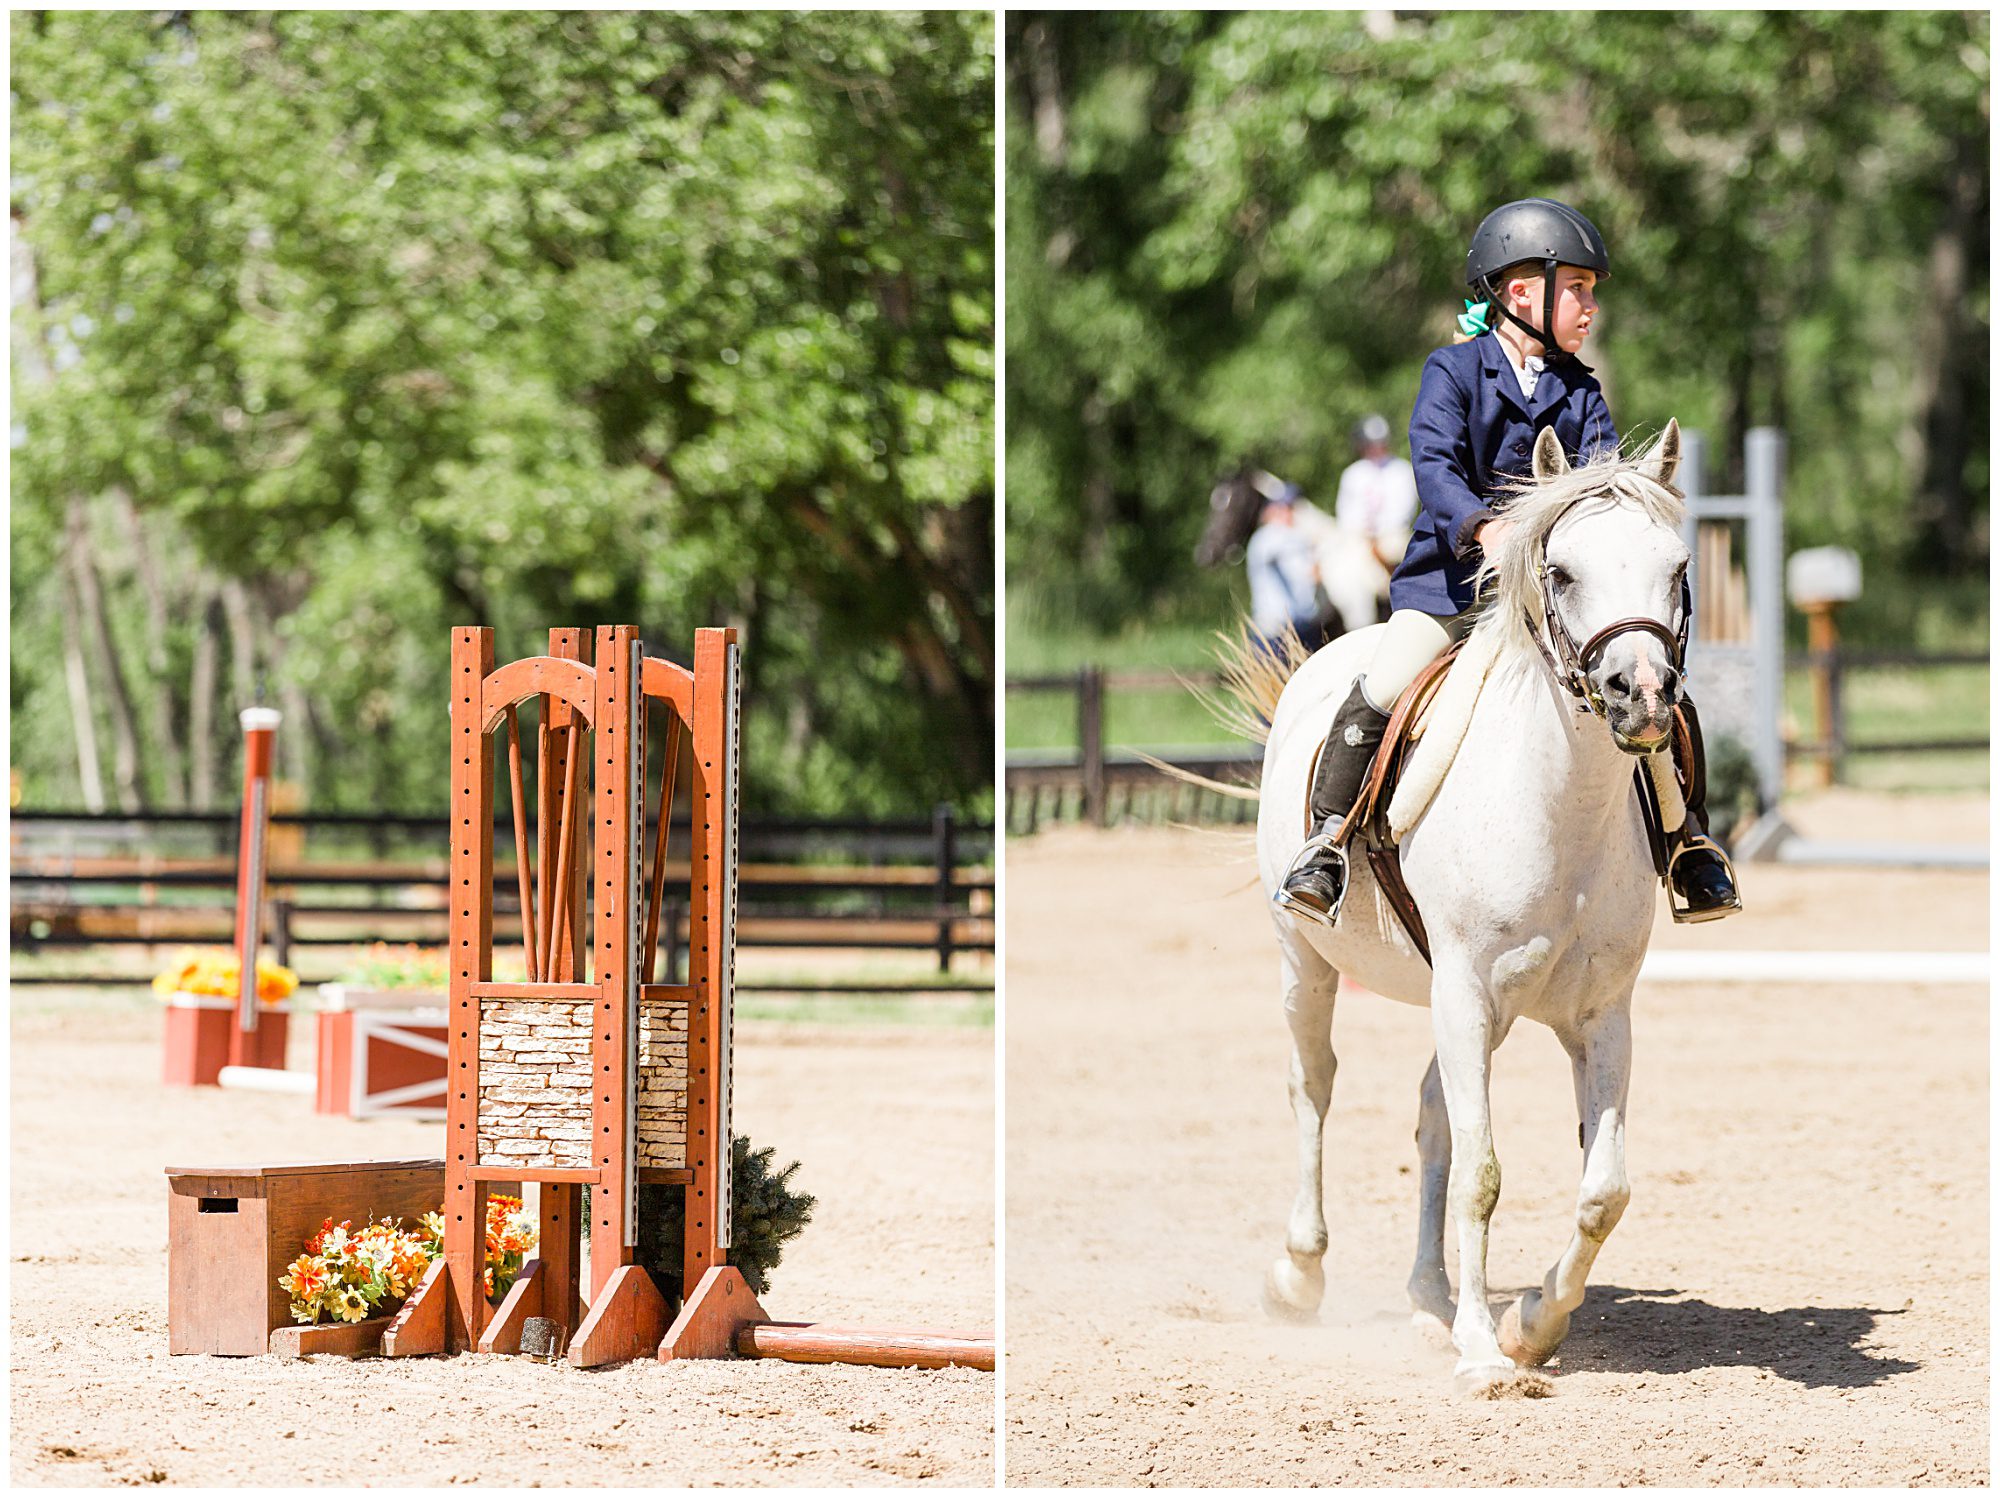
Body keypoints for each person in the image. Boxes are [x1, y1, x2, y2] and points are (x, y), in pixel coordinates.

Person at [1275, 197, 1741, 927]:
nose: (1591, 305)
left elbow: (1599, 482)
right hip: (1452, 588)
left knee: (1659, 698)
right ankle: (1327, 843)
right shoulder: (1453, 372)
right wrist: (1481, 529)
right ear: (1522, 292)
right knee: (1380, 690)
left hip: (1555, 604)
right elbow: (1433, 466)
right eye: (1579, 289)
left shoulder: (1581, 389)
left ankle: (1688, 844)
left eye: (1592, 291)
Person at [1245, 482, 1323, 653]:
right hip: (1274, 631)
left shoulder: (1297, 537)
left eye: (1291, 507)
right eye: (1283, 507)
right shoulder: (1266, 537)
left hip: (1304, 627)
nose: (1289, 513)